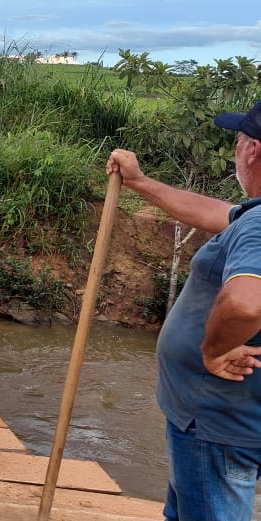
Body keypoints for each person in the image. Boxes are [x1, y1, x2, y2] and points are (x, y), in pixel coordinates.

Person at [107, 100, 261, 521]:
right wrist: (141, 183)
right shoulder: (252, 216)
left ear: (253, 151)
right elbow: (217, 214)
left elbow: (247, 303)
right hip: (236, 421)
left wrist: (211, 350)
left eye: (239, 140)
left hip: (220, 424)